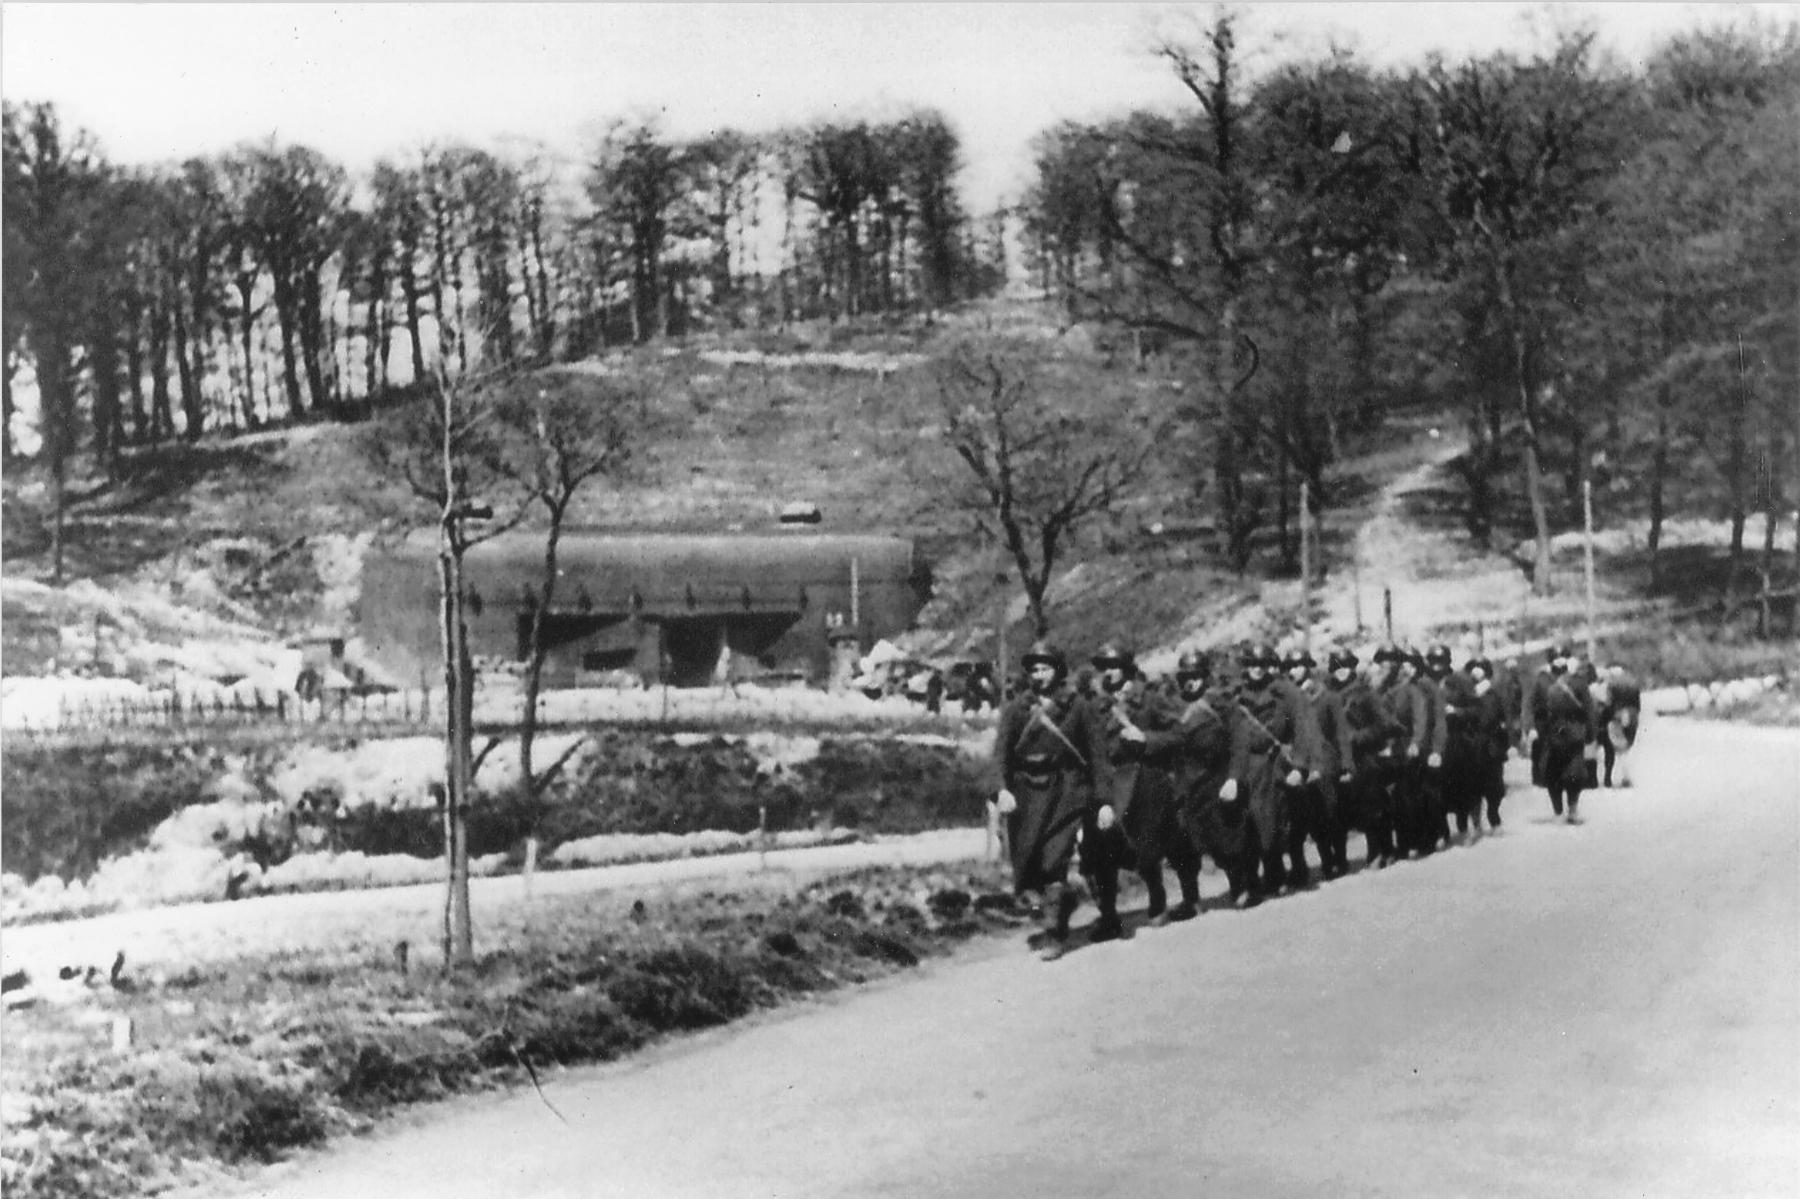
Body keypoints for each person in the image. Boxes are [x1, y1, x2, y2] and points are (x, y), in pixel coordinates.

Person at [994, 640, 1105, 960]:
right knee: (1027, 868)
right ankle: (1061, 906)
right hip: (1026, 794)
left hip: (1066, 791)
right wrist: (1000, 789)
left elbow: (1097, 755)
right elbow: (1001, 752)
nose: (1039, 675)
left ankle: (1055, 934)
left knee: (1054, 861)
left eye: (1045, 668)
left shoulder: (1078, 706)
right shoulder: (1017, 708)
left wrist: (1103, 799)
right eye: (1034, 669)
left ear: (1058, 671)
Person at [1090, 641, 1202, 927]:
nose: (1109, 673)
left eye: (1115, 667)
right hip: (1117, 783)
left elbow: (1179, 735)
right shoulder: (1097, 707)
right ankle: (1154, 895)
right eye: (1105, 668)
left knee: (1165, 840)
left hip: (1151, 780)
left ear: (1127, 669)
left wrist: (1147, 739)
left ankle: (1183, 895)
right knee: (1130, 843)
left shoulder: (1150, 699)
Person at [1167, 649, 1286, 908]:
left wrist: (1234, 778)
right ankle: (1191, 898)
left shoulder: (1221, 704)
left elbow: (1239, 742)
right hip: (1189, 784)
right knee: (1195, 838)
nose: (1191, 682)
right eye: (1186, 677)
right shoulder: (1173, 707)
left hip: (1219, 779)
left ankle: (1241, 886)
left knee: (1229, 838)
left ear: (1205, 677)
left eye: (1196, 676)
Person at [1237, 643, 1316, 893]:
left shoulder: (1287, 693)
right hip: (1248, 767)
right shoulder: (1236, 697)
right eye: (1251, 665)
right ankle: (1259, 875)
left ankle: (1280, 870)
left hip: (1277, 766)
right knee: (1250, 821)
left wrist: (1300, 766)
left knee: (1277, 819)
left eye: (1261, 665)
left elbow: (1303, 731)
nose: (1257, 671)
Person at [1332, 648, 1404, 869]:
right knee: (1352, 808)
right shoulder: (1332, 696)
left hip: (1367, 757)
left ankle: (1378, 851)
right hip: (1342, 759)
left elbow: (1386, 726)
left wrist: (1358, 737)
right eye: (1336, 668)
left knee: (1371, 805)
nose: (1341, 672)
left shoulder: (1366, 694)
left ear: (1353, 668)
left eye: (1346, 667)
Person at [1301, 647, 1358, 879]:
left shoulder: (1329, 698)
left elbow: (1341, 733)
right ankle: (1326, 860)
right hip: (1303, 764)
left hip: (1328, 761)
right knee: (1314, 817)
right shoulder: (1293, 700)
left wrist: (1346, 764)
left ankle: (1340, 857)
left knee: (1332, 812)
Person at [1527, 644, 1599, 823]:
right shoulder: (1541, 681)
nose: (1559, 661)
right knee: (1552, 775)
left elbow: (1589, 708)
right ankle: (1558, 811)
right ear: (1550, 661)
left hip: (1573, 733)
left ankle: (1573, 808)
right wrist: (1530, 728)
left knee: (1575, 773)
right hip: (1549, 735)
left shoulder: (1577, 681)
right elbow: (1529, 706)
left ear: (1568, 660)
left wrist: (1591, 732)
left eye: (1562, 657)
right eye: (1555, 658)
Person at [1600, 664, 1642, 787]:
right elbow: (1638, 704)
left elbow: (1609, 703)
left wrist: (1605, 718)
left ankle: (1625, 776)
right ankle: (1626, 776)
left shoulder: (1612, 685)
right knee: (1627, 747)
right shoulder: (1633, 683)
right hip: (1632, 716)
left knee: (1621, 749)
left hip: (1617, 716)